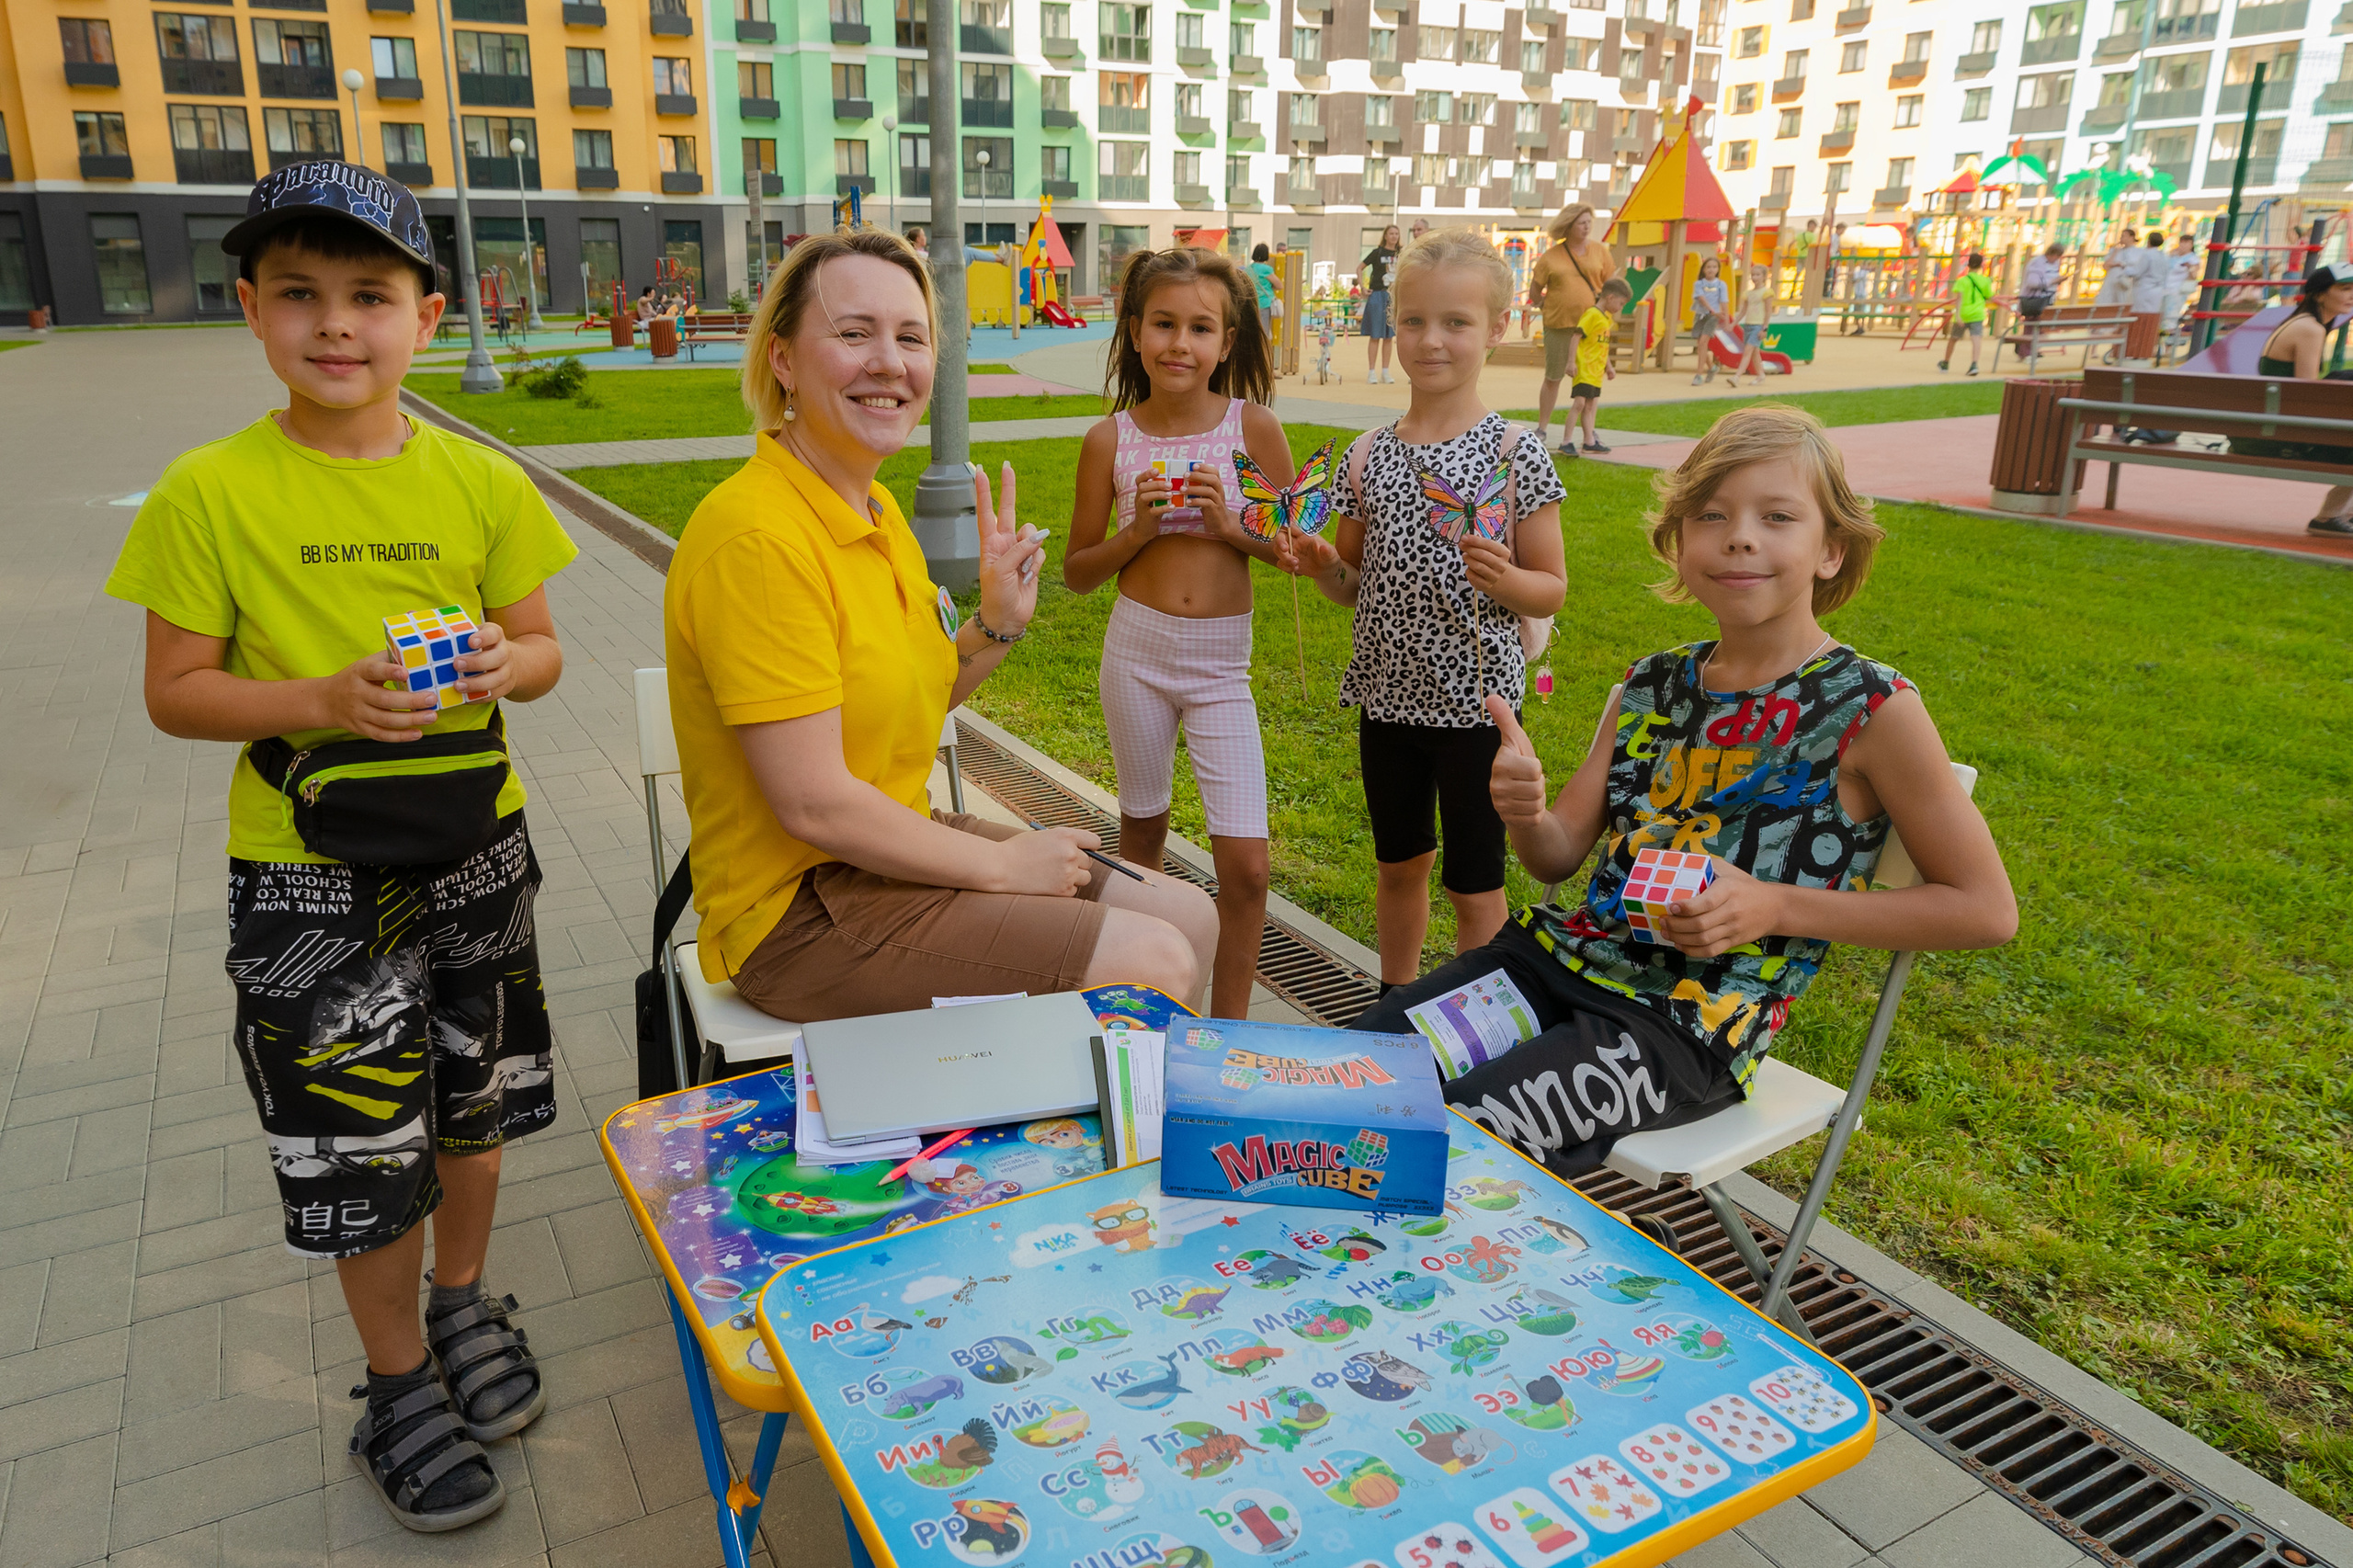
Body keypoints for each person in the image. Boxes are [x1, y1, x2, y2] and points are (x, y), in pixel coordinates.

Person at [106, 162, 578, 1532]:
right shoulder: (210, 492)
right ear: (251, 310)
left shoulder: (484, 481)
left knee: (475, 1108)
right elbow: (173, 690)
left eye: (371, 294)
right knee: (358, 1145)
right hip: (310, 882)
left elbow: (546, 649)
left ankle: (461, 1306)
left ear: (428, 315)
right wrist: (320, 700)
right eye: (299, 294)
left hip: (477, 850)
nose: (336, 325)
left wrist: (504, 660)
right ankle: (393, 1383)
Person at [1350, 403, 2018, 1176]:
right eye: (1712, 514)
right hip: (1549, 969)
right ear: (1679, 540)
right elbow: (1556, 858)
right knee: (1357, 1078)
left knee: (1451, 1143)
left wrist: (1773, 905)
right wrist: (1525, 813)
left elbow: (1985, 908)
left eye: (1777, 516)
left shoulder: (1872, 708)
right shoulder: (1651, 684)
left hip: (1681, 1025)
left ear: (1831, 549)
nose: (1740, 535)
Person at [663, 227, 1219, 1023]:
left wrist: (996, 626)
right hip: (799, 910)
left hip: (882, 854)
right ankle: (1101, 1140)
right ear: (783, 359)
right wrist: (1002, 866)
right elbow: (813, 805)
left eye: (911, 337)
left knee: (1192, 915)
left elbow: (917, 693)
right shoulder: (756, 538)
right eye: (853, 333)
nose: (888, 361)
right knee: (1151, 956)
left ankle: (1139, 1117)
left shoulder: (875, 507)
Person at [1280, 230, 1569, 992]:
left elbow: (1551, 588)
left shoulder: (1515, 454)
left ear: (1497, 330)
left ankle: (1479, 1021)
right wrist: (1322, 564)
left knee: (1475, 885)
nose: (1430, 340)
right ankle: (1396, 998)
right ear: (1390, 324)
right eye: (1412, 321)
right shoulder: (1367, 454)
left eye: (1456, 322)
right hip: (1390, 703)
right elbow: (1350, 586)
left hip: (1481, 712)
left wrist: (1508, 580)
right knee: (1399, 864)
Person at [1063, 247, 1293, 1018]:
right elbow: (1079, 570)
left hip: (1222, 668)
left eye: (1200, 328)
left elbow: (1295, 550)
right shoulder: (1111, 439)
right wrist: (1138, 533)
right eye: (1164, 324)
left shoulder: (1253, 428)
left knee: (1249, 868)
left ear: (1227, 343)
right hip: (1137, 654)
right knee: (1141, 847)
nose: (1180, 344)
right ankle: (1141, 1013)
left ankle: (1228, 1032)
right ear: (1134, 332)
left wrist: (1232, 527)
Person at [2233, 262, 2353, 537]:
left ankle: (2343, 514)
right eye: (2344, 289)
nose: (2351, 295)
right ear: (2320, 294)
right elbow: (2308, 396)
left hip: (2270, 427)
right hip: (2280, 436)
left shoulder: (2302, 323)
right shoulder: (2311, 329)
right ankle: (2329, 518)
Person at [1526, 204, 1621, 454]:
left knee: (1589, 382)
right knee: (1553, 377)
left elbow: (1612, 283)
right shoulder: (1551, 256)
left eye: (1589, 221)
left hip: (1592, 326)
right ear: (1568, 225)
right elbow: (1535, 289)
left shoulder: (1600, 252)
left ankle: (1588, 434)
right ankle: (1542, 427)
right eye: (1581, 222)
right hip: (1559, 323)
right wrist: (1543, 305)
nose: (1587, 226)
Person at [1569, 277, 1631, 453]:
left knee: (1589, 406)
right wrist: (1571, 362)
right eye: (1621, 303)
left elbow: (1602, 347)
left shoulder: (1605, 319)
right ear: (1610, 297)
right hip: (1585, 369)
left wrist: (1608, 366)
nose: (1621, 308)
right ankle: (1566, 441)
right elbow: (1576, 337)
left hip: (1595, 372)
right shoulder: (1592, 314)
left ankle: (1589, 441)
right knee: (1580, 404)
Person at [1361, 223, 1404, 382]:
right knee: (1375, 335)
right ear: (1386, 235)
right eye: (1391, 233)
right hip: (1377, 294)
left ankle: (1385, 371)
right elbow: (1360, 267)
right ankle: (1371, 371)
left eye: (1396, 233)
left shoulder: (1402, 253)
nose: (1394, 236)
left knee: (1388, 336)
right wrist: (1362, 287)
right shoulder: (1377, 252)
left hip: (1393, 295)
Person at [1939, 252, 1994, 375]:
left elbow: (1959, 299)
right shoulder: (1985, 281)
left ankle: (1946, 363)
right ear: (1981, 265)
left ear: (1968, 265)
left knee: (1953, 339)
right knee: (1976, 338)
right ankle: (1974, 364)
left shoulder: (1962, 281)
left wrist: (1958, 316)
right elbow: (1989, 296)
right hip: (1977, 314)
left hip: (1963, 314)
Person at [1689, 255, 1730, 385]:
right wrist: (1711, 310)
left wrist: (1725, 317)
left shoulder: (1721, 285)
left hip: (1713, 317)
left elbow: (1724, 301)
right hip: (1701, 315)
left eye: (1714, 267)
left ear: (1718, 269)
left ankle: (1699, 375)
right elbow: (1701, 298)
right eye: (1708, 267)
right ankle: (1712, 367)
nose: (1711, 269)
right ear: (1703, 270)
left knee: (1703, 343)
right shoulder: (1699, 284)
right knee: (1701, 344)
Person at [1733, 263, 1772, 386]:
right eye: (1753, 275)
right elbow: (1743, 311)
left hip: (1758, 325)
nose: (1754, 277)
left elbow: (1768, 311)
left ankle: (1737, 376)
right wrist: (1734, 323)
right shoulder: (1748, 294)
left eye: (1758, 275)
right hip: (1748, 325)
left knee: (1748, 350)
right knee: (1755, 352)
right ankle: (1761, 375)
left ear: (1764, 277)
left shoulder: (1766, 292)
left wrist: (1764, 328)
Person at [1248, 243, 1279, 340]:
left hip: (1251, 303)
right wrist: (1270, 287)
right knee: (1264, 333)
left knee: (1253, 332)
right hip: (1264, 303)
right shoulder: (1266, 269)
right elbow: (1279, 285)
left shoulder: (1249, 269)